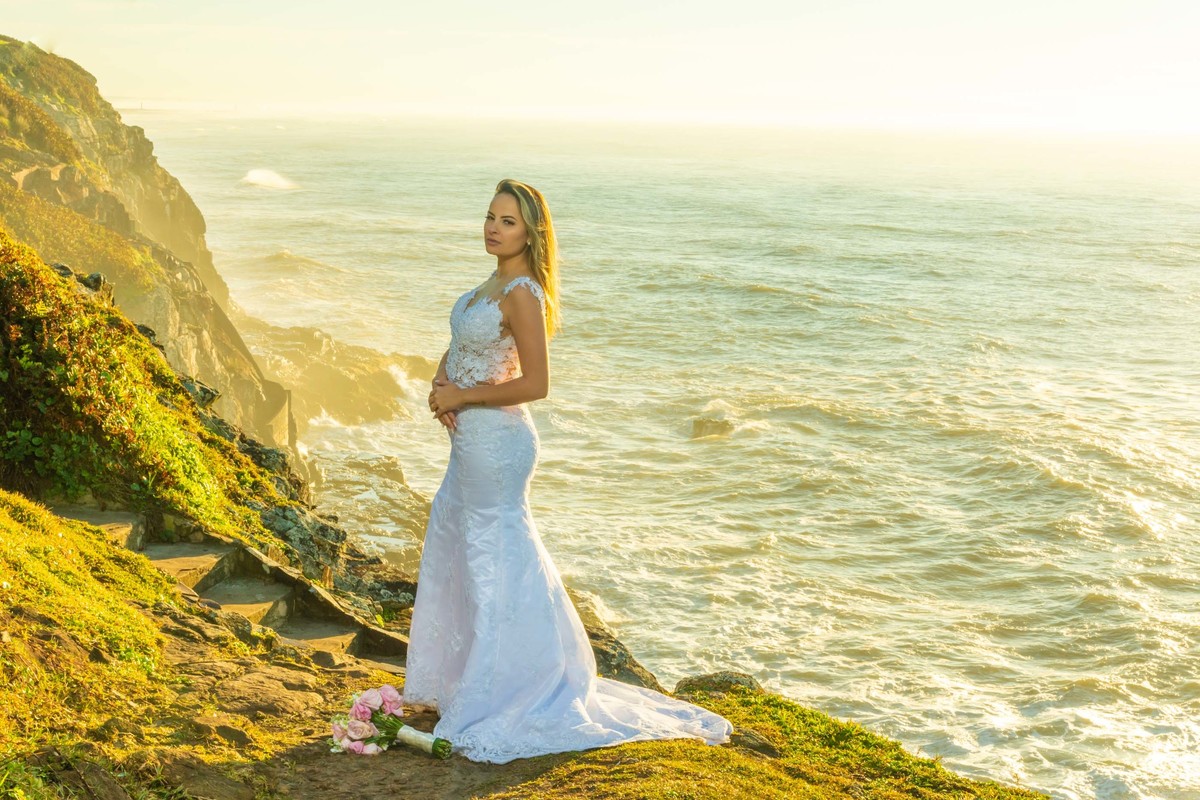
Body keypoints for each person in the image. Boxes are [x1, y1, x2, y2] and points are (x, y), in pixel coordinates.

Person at [402, 178, 734, 764]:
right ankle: (462, 679)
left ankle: (509, 688)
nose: (493, 228)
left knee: (495, 552)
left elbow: (537, 384)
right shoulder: (489, 285)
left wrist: (463, 397)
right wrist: (440, 383)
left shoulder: (523, 293)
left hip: (498, 442)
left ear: (532, 232)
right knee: (461, 542)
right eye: (490, 216)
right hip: (471, 441)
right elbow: (461, 345)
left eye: (507, 221)